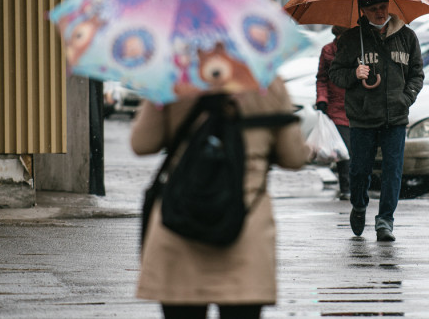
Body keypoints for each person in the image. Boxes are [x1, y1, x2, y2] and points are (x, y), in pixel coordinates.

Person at [130, 79, 308, 319]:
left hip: (180, 224)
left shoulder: (174, 80)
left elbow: (142, 144)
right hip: (246, 227)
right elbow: (293, 157)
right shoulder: (267, 83)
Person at [329, 0, 424, 242]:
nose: (380, 13)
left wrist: (406, 98)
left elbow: (417, 73)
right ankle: (359, 205)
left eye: (383, 8)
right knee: (360, 171)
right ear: (363, 11)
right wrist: (354, 74)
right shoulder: (352, 39)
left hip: (396, 116)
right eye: (374, 9)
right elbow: (335, 74)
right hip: (363, 117)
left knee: (393, 171)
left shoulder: (407, 37)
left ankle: (385, 221)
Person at [316, 25, 351, 200]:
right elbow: (322, 78)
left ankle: (358, 186)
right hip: (336, 108)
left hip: (358, 106)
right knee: (343, 150)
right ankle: (346, 188)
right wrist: (322, 100)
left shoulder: (360, 48)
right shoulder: (328, 50)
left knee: (358, 150)